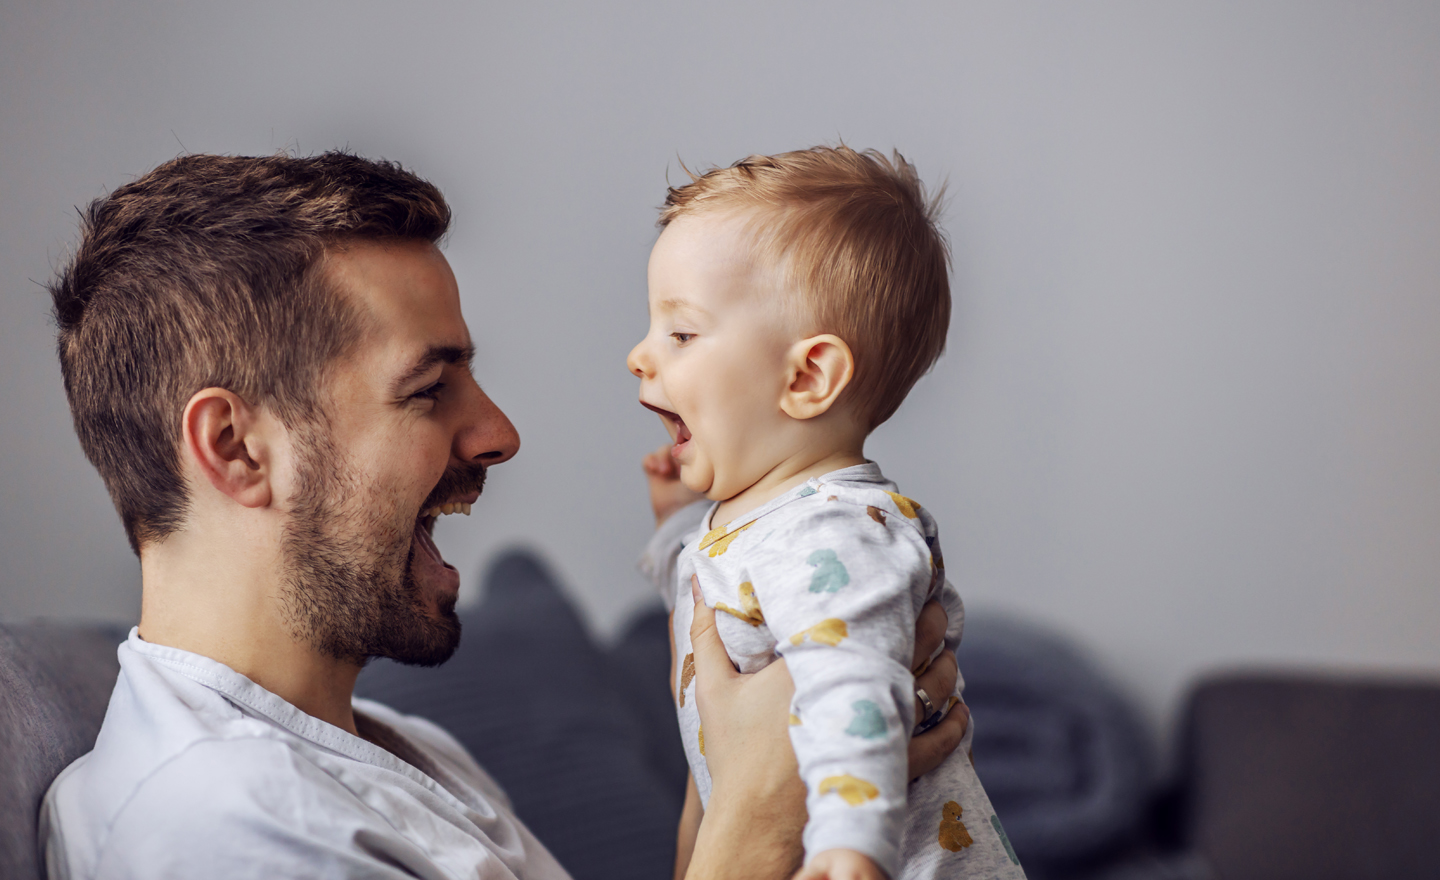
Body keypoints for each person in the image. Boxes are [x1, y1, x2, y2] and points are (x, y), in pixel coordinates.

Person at [38, 151, 967, 879]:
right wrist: (763, 815)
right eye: (429, 389)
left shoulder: (409, 754)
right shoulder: (218, 830)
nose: (499, 434)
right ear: (237, 450)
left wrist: (747, 756)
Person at [628, 146, 1025, 880]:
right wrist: (679, 529)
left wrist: (852, 848)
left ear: (808, 376)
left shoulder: (837, 532)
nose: (638, 356)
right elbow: (717, 610)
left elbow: (855, 689)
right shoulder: (765, 523)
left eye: (680, 334)